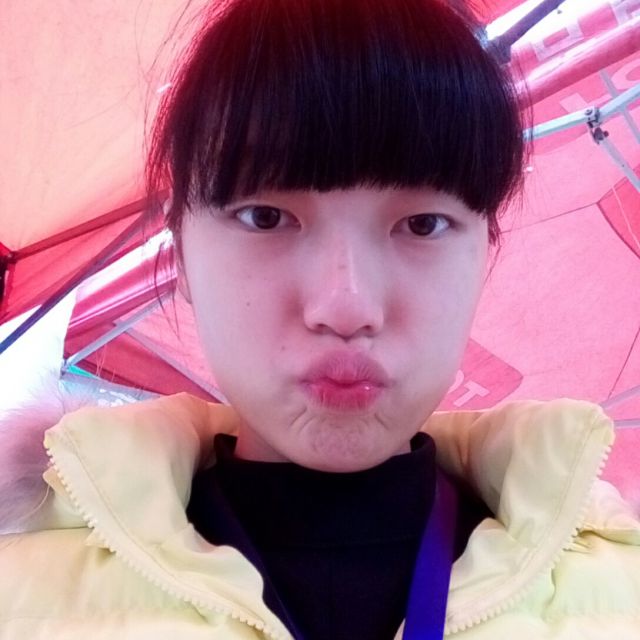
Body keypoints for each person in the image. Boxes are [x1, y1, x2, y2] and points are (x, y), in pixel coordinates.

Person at [1, 0, 640, 638]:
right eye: (265, 217)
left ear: (484, 256)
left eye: (423, 224)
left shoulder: (619, 594)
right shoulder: (20, 590)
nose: (347, 307)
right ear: (182, 256)